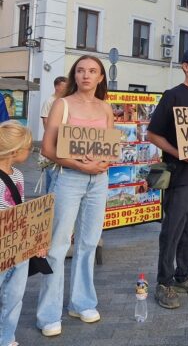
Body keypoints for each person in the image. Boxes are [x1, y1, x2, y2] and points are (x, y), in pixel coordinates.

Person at [37, 55, 113, 337]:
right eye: (80, 70)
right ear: (74, 75)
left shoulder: (106, 108)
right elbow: (47, 148)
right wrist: (81, 164)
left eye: (92, 71)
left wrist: (104, 163)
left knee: (88, 243)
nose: (86, 75)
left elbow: (109, 145)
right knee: (57, 246)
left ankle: (81, 303)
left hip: (99, 181)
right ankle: (48, 314)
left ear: (100, 77)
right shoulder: (63, 104)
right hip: (69, 178)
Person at [147, 47, 188, 309]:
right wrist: (178, 153)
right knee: (173, 229)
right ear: (186, 66)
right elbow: (153, 135)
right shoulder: (172, 95)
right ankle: (164, 282)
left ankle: (183, 276)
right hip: (179, 174)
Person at [0, 120, 40, 346]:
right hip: (3, 246)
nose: (31, 151)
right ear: (15, 151)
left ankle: (7, 338)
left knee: (15, 297)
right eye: (29, 148)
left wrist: (36, 240)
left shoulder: (18, 176)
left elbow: (23, 211)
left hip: (18, 247)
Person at [39, 76, 67, 192]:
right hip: (54, 141)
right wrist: (53, 139)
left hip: (62, 141)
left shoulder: (64, 101)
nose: (66, 88)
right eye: (64, 86)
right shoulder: (50, 101)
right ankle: (49, 200)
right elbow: (46, 122)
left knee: (57, 174)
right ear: (57, 86)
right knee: (51, 172)